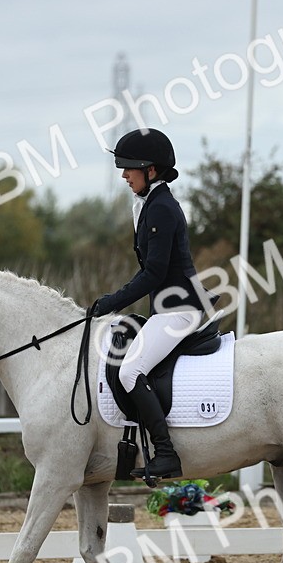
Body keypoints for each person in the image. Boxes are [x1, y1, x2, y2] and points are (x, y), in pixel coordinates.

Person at [90, 128, 207, 480]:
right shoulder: (147, 205)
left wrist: (113, 301)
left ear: (150, 170)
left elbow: (154, 273)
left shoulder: (162, 209)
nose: (124, 175)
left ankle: (166, 452)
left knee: (130, 371)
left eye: (129, 168)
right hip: (167, 307)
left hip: (179, 309)